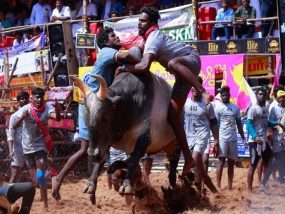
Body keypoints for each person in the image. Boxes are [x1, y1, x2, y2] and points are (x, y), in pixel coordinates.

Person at [51, 27, 140, 201]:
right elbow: (130, 57)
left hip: (96, 103)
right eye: (113, 36)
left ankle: (92, 183)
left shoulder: (109, 55)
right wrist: (143, 53)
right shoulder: (107, 52)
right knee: (87, 148)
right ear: (106, 42)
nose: (117, 38)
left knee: (102, 143)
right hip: (91, 104)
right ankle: (59, 178)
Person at [123, 7, 211, 178]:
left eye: (143, 20)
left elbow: (143, 66)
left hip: (190, 60)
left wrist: (124, 67)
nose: (138, 23)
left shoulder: (154, 37)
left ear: (152, 23)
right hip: (182, 76)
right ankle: (188, 158)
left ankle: (203, 91)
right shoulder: (147, 39)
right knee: (172, 115)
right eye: (139, 20)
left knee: (171, 64)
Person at [13, 88, 61, 209]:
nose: (39, 99)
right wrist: (22, 117)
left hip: (40, 145)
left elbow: (58, 118)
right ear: (32, 99)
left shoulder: (48, 108)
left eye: (41, 97)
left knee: (41, 176)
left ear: (43, 98)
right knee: (36, 181)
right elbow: (14, 126)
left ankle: (46, 205)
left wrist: (58, 110)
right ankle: (54, 180)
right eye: (36, 97)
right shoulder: (26, 109)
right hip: (27, 147)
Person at [246, 87, 285, 192]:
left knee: (271, 161)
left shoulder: (265, 109)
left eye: (264, 94)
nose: (262, 96)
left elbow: (266, 123)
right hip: (255, 141)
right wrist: (255, 136)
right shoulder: (253, 109)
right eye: (260, 94)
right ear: (256, 96)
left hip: (264, 140)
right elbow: (249, 125)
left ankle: (263, 184)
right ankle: (249, 190)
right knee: (253, 165)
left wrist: (277, 123)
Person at [184, 76, 219, 193]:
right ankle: (213, 191)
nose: (194, 88)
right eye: (192, 86)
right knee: (200, 168)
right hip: (188, 137)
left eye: (197, 86)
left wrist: (217, 141)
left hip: (202, 136)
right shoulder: (185, 102)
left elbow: (214, 123)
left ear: (201, 88)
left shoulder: (207, 104)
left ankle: (195, 187)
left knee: (194, 159)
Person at [213, 86, 245, 190]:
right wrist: (216, 140)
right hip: (222, 138)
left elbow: (239, 124)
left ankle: (230, 186)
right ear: (221, 96)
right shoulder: (217, 107)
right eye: (223, 95)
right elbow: (216, 125)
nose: (225, 97)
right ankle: (218, 186)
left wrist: (243, 138)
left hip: (233, 139)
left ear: (230, 95)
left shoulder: (235, 108)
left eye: (226, 95)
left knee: (231, 163)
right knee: (221, 162)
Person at [8, 91, 30, 183]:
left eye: (26, 98)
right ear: (19, 101)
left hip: (30, 146)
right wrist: (10, 151)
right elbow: (10, 134)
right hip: (18, 147)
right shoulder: (14, 116)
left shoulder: (32, 114)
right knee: (15, 173)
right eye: (22, 99)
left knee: (35, 171)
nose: (24, 100)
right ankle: (6, 195)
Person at [269, 90, 285, 184]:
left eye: (283, 97)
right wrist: (272, 138)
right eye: (280, 97)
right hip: (277, 136)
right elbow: (271, 124)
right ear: (277, 98)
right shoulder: (274, 109)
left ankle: (284, 177)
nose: (282, 99)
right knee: (277, 158)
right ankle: (274, 177)